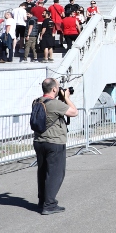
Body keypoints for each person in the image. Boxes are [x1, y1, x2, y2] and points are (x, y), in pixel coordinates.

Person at [33, 78, 78, 215]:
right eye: (58, 87)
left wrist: (62, 98)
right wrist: (66, 97)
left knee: (43, 171)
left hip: (39, 142)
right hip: (54, 143)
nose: (59, 89)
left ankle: (43, 200)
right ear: (54, 89)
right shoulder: (55, 104)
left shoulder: (37, 101)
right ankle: (50, 204)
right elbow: (74, 112)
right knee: (55, 174)